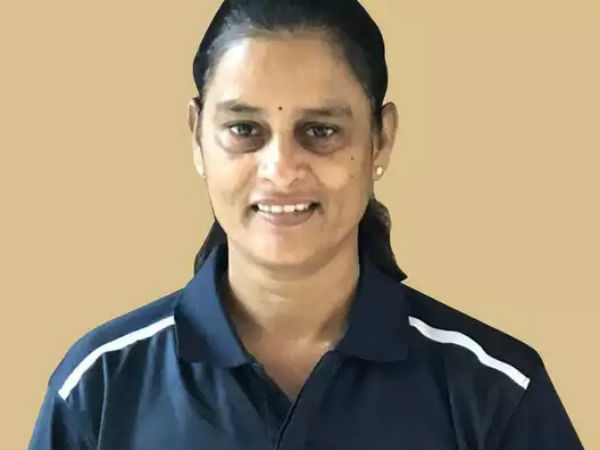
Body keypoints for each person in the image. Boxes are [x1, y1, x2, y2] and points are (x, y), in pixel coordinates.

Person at [28, 0, 584, 449]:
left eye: (320, 131)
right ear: (197, 136)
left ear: (381, 139)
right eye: (244, 129)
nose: (281, 170)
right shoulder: (100, 388)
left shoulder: (495, 392)